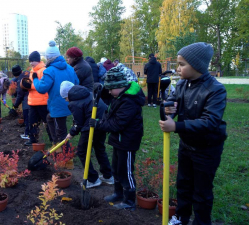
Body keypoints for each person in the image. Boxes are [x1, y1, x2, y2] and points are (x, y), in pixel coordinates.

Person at [159, 42, 227, 225]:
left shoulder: (215, 90)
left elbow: (210, 121)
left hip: (207, 148)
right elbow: (172, 102)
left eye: (182, 64)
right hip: (187, 145)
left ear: (197, 65)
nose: (177, 69)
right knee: (183, 184)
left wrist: (177, 126)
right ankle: (181, 217)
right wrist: (169, 109)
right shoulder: (182, 85)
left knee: (201, 191)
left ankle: (201, 221)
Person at [89, 67, 145, 211]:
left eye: (110, 89)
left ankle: (129, 201)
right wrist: (99, 91)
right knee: (116, 169)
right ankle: (118, 193)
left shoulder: (129, 101)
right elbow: (109, 112)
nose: (108, 92)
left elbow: (117, 124)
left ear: (119, 86)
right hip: (119, 140)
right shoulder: (119, 96)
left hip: (127, 141)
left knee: (125, 171)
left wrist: (99, 125)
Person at [33, 40, 79, 162]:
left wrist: (35, 80)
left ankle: (66, 155)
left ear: (48, 57)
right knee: (49, 119)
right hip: (70, 103)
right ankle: (56, 144)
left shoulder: (49, 71)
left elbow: (42, 88)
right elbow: (77, 83)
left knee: (61, 131)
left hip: (58, 105)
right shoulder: (70, 68)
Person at [61, 81, 113, 188]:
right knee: (99, 148)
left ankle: (93, 179)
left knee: (82, 151)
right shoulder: (86, 92)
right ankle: (108, 176)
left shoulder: (74, 103)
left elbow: (78, 123)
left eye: (64, 98)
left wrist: (71, 133)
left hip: (92, 124)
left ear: (67, 95)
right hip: (102, 121)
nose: (65, 100)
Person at [24, 51, 52, 146]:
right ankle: (33, 139)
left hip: (42, 102)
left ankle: (53, 139)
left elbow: (43, 86)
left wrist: (30, 86)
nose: (31, 63)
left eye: (33, 61)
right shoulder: (32, 71)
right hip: (32, 101)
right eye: (30, 61)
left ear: (38, 60)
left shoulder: (44, 70)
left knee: (47, 122)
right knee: (32, 121)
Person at [11, 65, 30, 139]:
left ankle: (27, 134)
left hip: (27, 101)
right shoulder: (28, 73)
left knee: (27, 118)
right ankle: (33, 133)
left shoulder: (20, 80)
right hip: (35, 99)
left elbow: (20, 95)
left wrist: (15, 106)